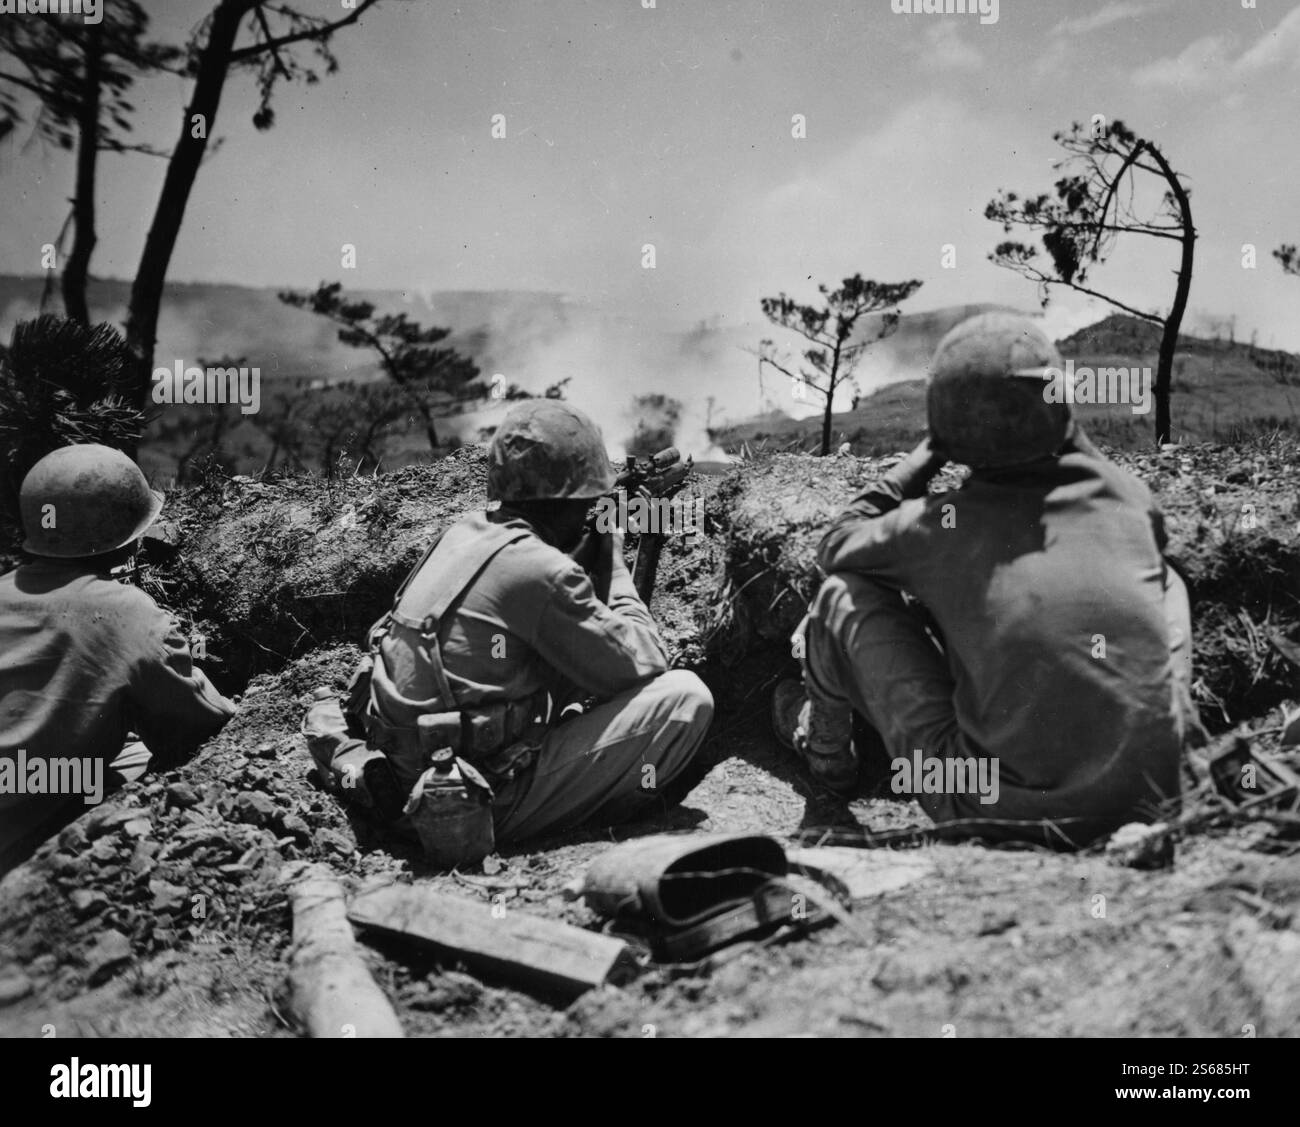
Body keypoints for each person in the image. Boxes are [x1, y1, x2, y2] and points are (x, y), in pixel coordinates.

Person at [773, 313, 1203, 849]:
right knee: (1170, 583)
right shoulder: (1127, 497)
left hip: (993, 807)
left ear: (945, 425)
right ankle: (1166, 744)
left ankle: (827, 757)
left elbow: (836, 545)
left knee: (840, 597)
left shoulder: (939, 526)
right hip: (1150, 791)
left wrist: (930, 452)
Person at [307, 400, 713, 844]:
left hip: (397, 773)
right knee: (686, 699)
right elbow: (647, 662)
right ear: (575, 499)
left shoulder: (465, 532)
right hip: (461, 805)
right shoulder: (541, 571)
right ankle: (603, 821)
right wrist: (611, 559)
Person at [0, 444, 236, 872]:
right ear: (129, 538)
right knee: (141, 760)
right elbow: (199, 724)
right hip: (21, 832)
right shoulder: (131, 615)